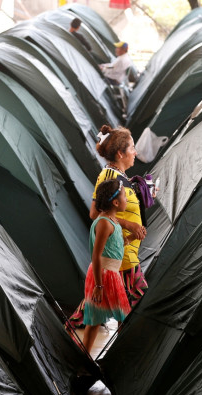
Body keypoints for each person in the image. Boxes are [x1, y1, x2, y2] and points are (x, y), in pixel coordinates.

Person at [68, 125, 150, 328]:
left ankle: (71, 331)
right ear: (121, 153)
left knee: (100, 301)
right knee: (137, 292)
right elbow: (95, 213)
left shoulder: (119, 176)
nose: (135, 153)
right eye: (132, 148)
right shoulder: (109, 177)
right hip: (120, 250)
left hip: (126, 248)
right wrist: (128, 223)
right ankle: (122, 341)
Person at [80, 179, 131, 354]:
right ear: (115, 202)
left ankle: (114, 355)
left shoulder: (113, 221)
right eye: (125, 196)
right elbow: (96, 254)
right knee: (97, 320)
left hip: (111, 274)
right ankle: (85, 358)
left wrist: (133, 238)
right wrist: (99, 286)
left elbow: (114, 248)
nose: (127, 200)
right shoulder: (103, 223)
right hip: (102, 275)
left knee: (120, 317)